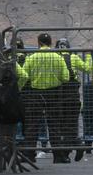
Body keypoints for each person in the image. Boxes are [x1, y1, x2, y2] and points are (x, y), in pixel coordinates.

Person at [23, 32, 69, 163]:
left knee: (32, 125)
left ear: (39, 43)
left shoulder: (32, 58)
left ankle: (29, 155)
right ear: (50, 43)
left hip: (36, 93)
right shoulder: (57, 57)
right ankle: (58, 156)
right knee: (54, 125)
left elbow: (25, 75)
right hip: (53, 93)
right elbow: (65, 77)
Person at [55, 38, 92, 162]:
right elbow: (87, 69)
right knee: (72, 125)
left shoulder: (55, 58)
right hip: (73, 97)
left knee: (61, 126)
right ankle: (76, 145)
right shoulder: (74, 58)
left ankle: (68, 151)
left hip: (59, 98)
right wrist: (87, 56)